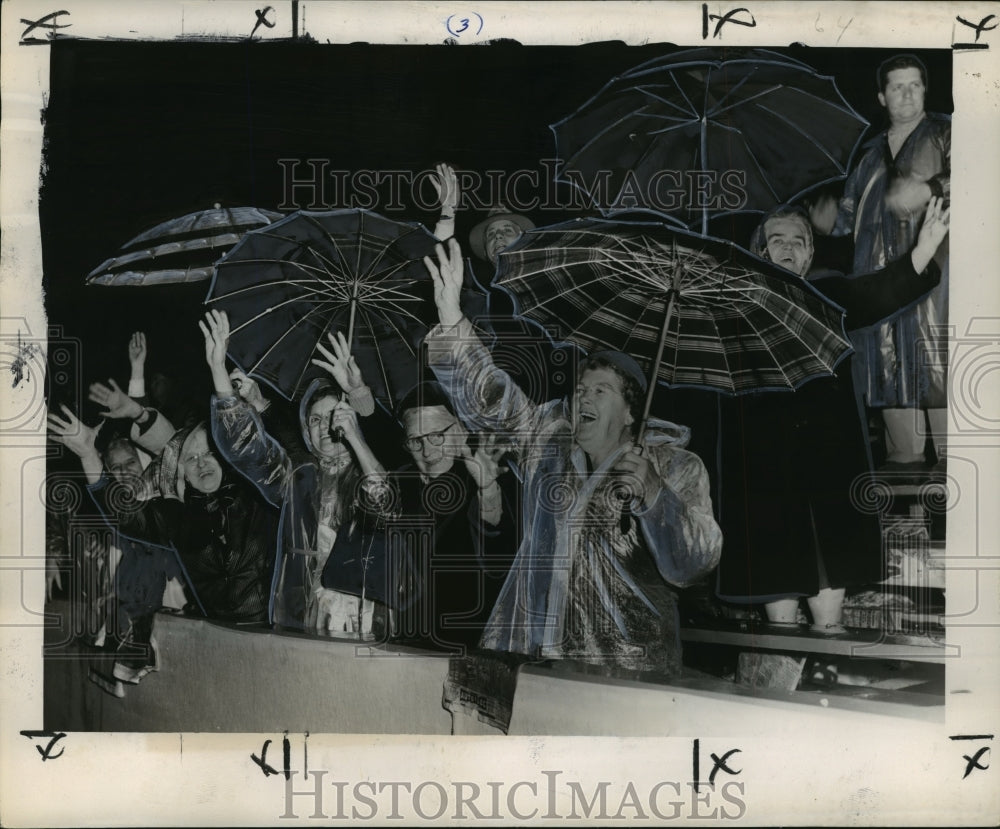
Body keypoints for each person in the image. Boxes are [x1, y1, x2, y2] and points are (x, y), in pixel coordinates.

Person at [422, 238, 723, 675]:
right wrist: (452, 319)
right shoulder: (545, 443)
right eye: (580, 388)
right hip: (530, 656)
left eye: (601, 390)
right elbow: (494, 400)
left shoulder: (676, 466)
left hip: (626, 670)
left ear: (630, 411)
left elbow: (693, 565)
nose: (584, 396)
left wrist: (655, 495)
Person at [715, 199, 950, 634]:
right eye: (777, 240)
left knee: (830, 619)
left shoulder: (829, 298)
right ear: (760, 252)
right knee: (779, 621)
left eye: (798, 241)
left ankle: (825, 673)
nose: (788, 248)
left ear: (808, 255)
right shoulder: (732, 312)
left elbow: (878, 292)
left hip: (828, 470)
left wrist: (925, 246)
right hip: (767, 476)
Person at [203, 311, 389, 636]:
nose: (325, 426)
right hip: (298, 620)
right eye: (315, 420)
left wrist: (358, 404)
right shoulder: (299, 478)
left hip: (360, 625)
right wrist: (220, 373)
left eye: (333, 415)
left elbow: (384, 501)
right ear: (306, 429)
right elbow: (248, 447)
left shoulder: (370, 469)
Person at [822, 54, 950, 474]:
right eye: (898, 86)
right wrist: (823, 224)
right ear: (882, 96)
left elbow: (985, 173)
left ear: (925, 90)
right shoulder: (868, 157)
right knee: (901, 450)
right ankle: (905, 529)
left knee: (955, 434)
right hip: (882, 310)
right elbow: (844, 222)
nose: (908, 93)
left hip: (939, 298)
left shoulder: (948, 133)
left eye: (915, 85)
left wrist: (930, 188)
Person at [320, 379, 518, 652]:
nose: (428, 450)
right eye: (416, 441)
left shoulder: (484, 473)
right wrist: (357, 393)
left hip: (472, 648)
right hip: (408, 642)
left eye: (438, 436)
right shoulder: (408, 479)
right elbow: (385, 445)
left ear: (460, 429)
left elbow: (499, 540)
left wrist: (488, 488)